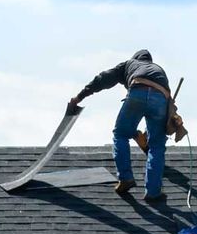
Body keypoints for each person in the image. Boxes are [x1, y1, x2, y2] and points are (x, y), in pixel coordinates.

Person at [70, 50, 182, 202]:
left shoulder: (130, 64)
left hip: (137, 92)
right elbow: (158, 103)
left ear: (136, 58)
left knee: (121, 135)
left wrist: (79, 97)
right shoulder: (158, 70)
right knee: (157, 146)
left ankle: (125, 178)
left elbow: (103, 79)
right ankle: (153, 192)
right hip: (161, 98)